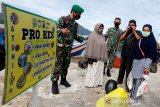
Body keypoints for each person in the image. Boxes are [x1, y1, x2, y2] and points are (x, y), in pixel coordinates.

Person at [51, 4, 87, 94]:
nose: (79, 16)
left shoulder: (75, 24)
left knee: (66, 65)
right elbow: (54, 30)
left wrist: (84, 38)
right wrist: (61, 31)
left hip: (68, 48)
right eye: (78, 14)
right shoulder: (63, 19)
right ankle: (54, 83)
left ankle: (63, 80)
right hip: (60, 48)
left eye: (80, 15)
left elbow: (75, 36)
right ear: (73, 12)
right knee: (57, 66)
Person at [130, 24, 157, 104]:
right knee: (135, 79)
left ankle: (136, 97)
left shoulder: (152, 41)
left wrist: (146, 66)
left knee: (140, 80)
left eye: (147, 30)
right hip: (136, 62)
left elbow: (150, 54)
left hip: (143, 63)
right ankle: (133, 94)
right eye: (144, 30)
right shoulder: (142, 39)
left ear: (151, 31)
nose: (145, 32)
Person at [117, 20, 142, 91]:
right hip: (124, 53)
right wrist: (126, 31)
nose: (131, 26)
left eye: (132, 25)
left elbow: (139, 39)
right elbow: (120, 39)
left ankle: (128, 84)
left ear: (135, 26)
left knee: (128, 69)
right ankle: (119, 80)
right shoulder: (126, 31)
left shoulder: (138, 32)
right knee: (122, 67)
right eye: (129, 25)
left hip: (132, 54)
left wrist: (134, 31)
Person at [84, 23, 107, 87]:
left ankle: (98, 82)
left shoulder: (102, 36)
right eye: (100, 28)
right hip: (94, 57)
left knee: (99, 70)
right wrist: (90, 57)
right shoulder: (92, 35)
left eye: (102, 28)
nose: (101, 29)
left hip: (100, 57)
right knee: (93, 70)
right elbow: (90, 47)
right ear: (97, 28)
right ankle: (91, 83)